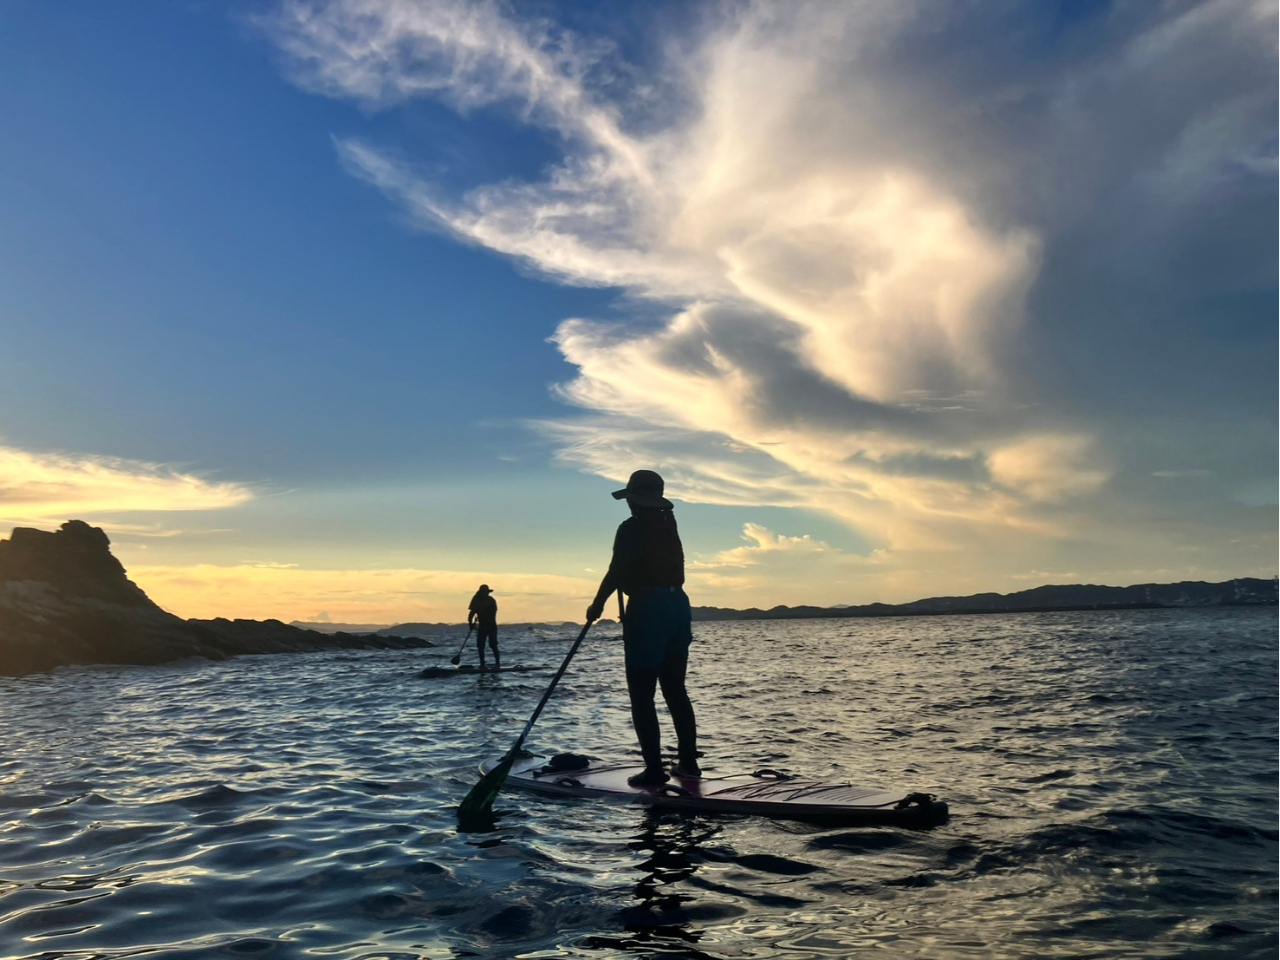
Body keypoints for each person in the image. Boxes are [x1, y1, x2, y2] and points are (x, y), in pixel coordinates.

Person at [586, 470, 700, 786]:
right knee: (675, 688)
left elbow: (615, 571)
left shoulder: (630, 527)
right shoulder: (669, 525)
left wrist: (597, 604)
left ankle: (654, 770)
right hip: (678, 605)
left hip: (648, 609)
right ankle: (688, 763)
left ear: (635, 500)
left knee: (642, 694)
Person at [468, 584, 500, 670]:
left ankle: (497, 663)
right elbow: (471, 613)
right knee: (480, 645)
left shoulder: (491, 600)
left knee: (493, 644)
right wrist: (470, 624)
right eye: (483, 592)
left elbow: (492, 613)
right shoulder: (476, 599)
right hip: (482, 625)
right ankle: (482, 664)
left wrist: (483, 611)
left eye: (486, 592)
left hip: (491, 625)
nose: (485, 594)